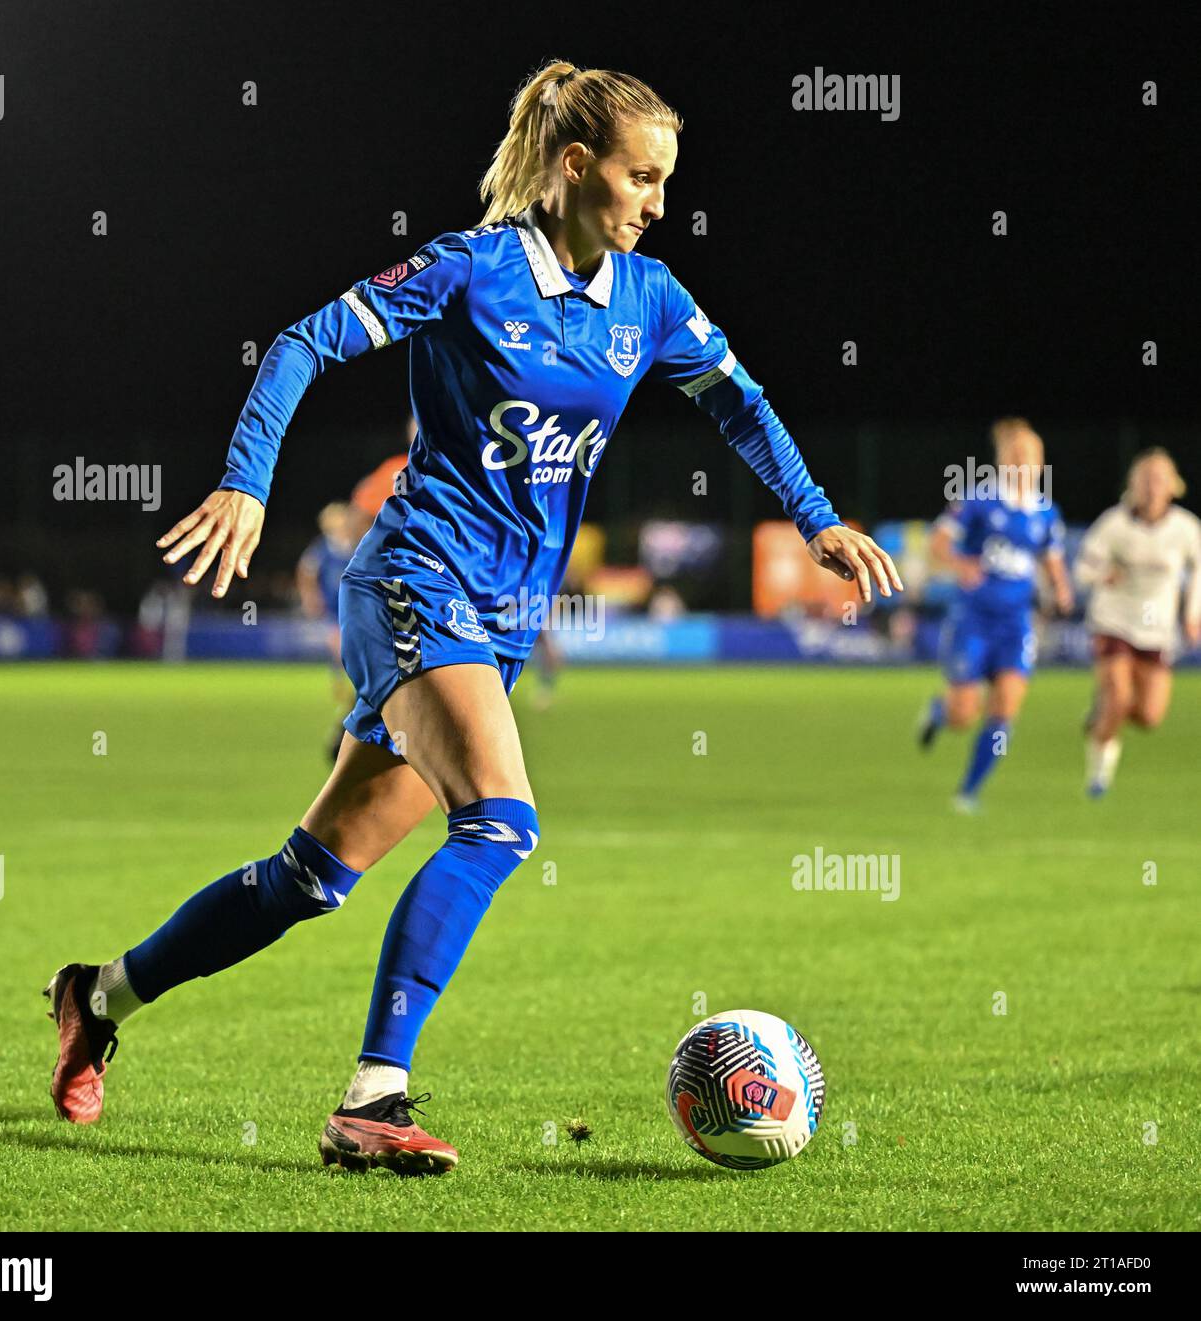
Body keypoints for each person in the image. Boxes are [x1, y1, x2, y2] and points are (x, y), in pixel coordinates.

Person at [44, 60, 901, 1174]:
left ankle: (96, 996)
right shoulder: (469, 268)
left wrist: (815, 517)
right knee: (503, 820)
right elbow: (302, 341)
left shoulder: (651, 300)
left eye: (665, 184)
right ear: (574, 165)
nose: (657, 203)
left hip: (495, 621)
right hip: (412, 578)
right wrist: (248, 477)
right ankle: (374, 1097)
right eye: (641, 178)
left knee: (307, 877)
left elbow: (741, 403)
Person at [918, 419, 1073, 811]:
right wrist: (960, 565)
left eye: (1031, 456)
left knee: (1005, 708)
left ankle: (968, 792)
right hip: (972, 620)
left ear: (1040, 463)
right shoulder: (977, 501)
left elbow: (1051, 558)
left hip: (1016, 624)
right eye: (1016, 456)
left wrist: (1062, 589)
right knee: (964, 715)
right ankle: (939, 712)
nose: (1023, 463)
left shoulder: (1046, 512)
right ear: (1002, 461)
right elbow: (937, 544)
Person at [1075, 448, 1201, 796]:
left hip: (1157, 627)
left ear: (1173, 485)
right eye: (1145, 478)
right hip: (1113, 620)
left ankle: (1099, 716)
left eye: (1159, 479)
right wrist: (1104, 574)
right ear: (1133, 483)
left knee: (1148, 716)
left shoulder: (1186, 528)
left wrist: (1192, 616)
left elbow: (1198, 572)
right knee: (1118, 695)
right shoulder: (1114, 523)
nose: (1151, 486)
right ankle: (1099, 777)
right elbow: (1084, 568)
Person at [296, 501, 359, 755]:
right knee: (338, 646)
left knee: (349, 649)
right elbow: (306, 571)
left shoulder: (355, 544)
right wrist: (310, 597)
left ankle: (351, 689)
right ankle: (343, 689)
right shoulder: (323, 548)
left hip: (353, 605)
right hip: (334, 609)